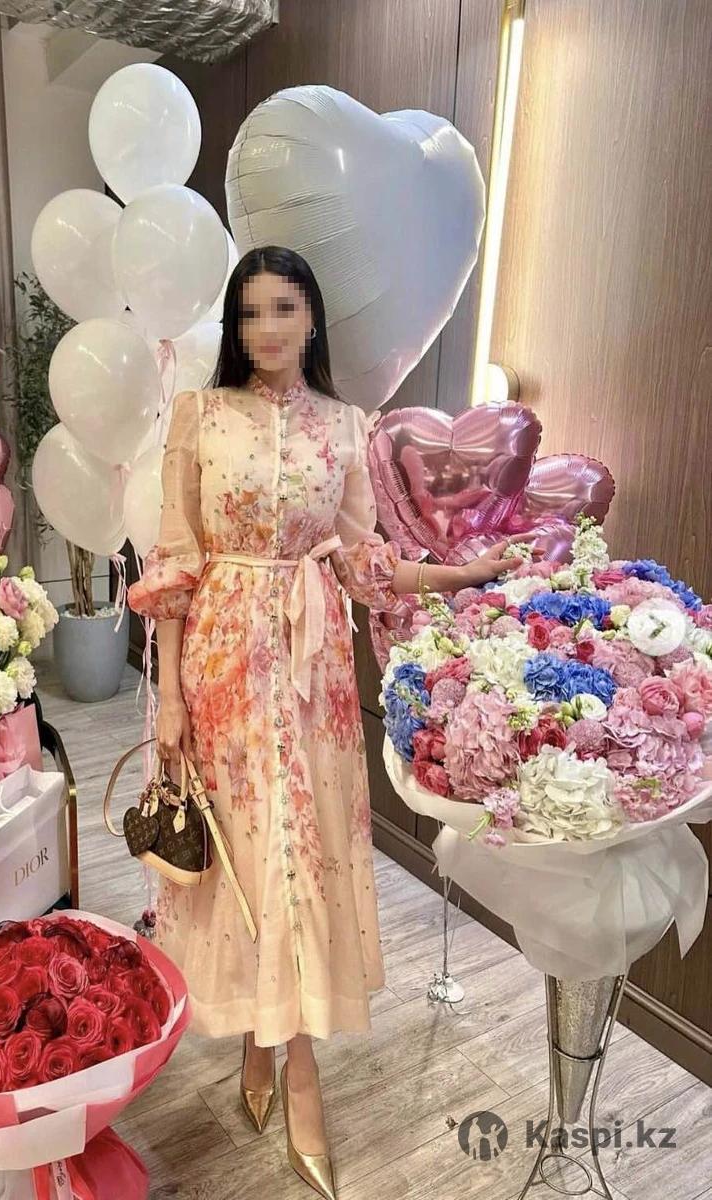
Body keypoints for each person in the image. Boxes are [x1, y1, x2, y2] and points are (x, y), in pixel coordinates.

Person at [126, 245, 515, 1199]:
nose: (267, 329)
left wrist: (463, 574)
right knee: (244, 855)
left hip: (315, 677)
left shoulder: (347, 425)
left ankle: (291, 1062)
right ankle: (269, 1047)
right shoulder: (199, 416)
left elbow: (364, 561)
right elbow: (175, 562)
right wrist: (169, 695)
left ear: (312, 319)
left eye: (284, 309)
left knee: (301, 857)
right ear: (236, 324)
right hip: (221, 662)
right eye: (251, 312)